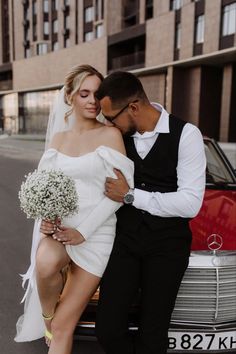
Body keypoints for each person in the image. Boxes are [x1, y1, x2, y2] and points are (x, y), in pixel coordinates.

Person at [14, 65, 134, 354]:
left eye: (97, 94)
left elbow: (119, 194)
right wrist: (46, 219)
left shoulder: (110, 135)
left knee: (63, 328)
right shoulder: (58, 141)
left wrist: (83, 231)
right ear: (70, 97)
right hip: (61, 230)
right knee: (44, 263)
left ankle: (55, 325)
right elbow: (45, 187)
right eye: (84, 94)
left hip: (96, 235)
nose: (93, 100)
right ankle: (47, 316)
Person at [94, 71, 206, 354]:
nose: (109, 125)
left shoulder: (187, 135)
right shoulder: (116, 138)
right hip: (125, 242)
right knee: (107, 329)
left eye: (111, 118)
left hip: (168, 247)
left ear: (133, 107)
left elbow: (190, 203)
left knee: (153, 334)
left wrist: (131, 196)